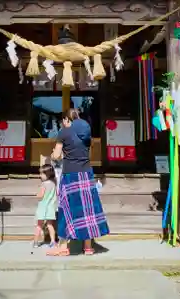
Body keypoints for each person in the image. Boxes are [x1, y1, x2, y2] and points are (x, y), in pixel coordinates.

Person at [47, 108, 109, 256]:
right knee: (87, 209)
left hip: (70, 174)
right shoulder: (86, 133)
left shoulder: (64, 132)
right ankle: (88, 247)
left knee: (66, 208)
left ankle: (63, 246)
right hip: (86, 173)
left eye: (63, 121)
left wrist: (54, 155)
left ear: (66, 120)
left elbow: (56, 155)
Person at [33, 164, 58, 248]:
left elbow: (40, 196)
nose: (40, 175)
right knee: (50, 225)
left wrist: (36, 194)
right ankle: (53, 241)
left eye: (41, 174)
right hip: (50, 207)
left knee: (39, 225)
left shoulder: (43, 184)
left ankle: (36, 242)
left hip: (42, 207)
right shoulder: (54, 184)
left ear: (47, 174)